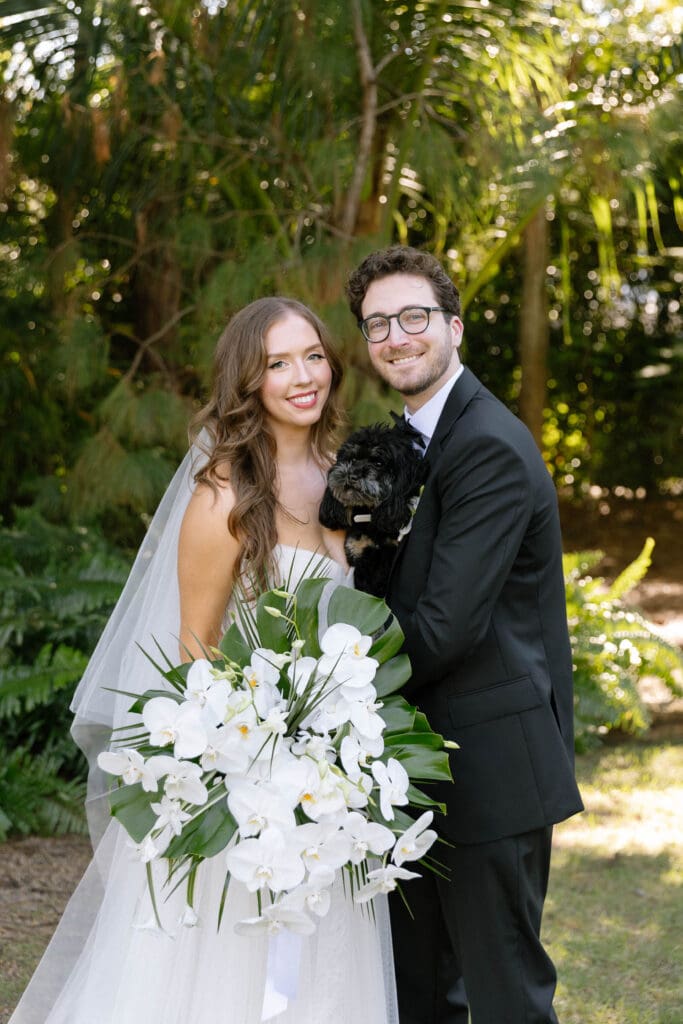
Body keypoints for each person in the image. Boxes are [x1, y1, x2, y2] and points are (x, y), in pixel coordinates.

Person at [9, 297, 398, 1024]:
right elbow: (194, 650)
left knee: (323, 964)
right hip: (244, 778)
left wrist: (333, 747)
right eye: (277, 363)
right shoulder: (224, 492)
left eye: (312, 355)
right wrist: (252, 765)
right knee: (226, 973)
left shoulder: (343, 473)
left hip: (330, 780)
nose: (301, 376)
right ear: (247, 382)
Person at [345, 246, 584, 1024]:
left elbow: (444, 628)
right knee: (419, 993)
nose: (395, 336)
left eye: (412, 317)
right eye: (377, 323)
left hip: (490, 768)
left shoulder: (485, 445)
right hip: (414, 766)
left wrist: (326, 689)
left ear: (451, 327)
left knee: (504, 994)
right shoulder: (414, 437)